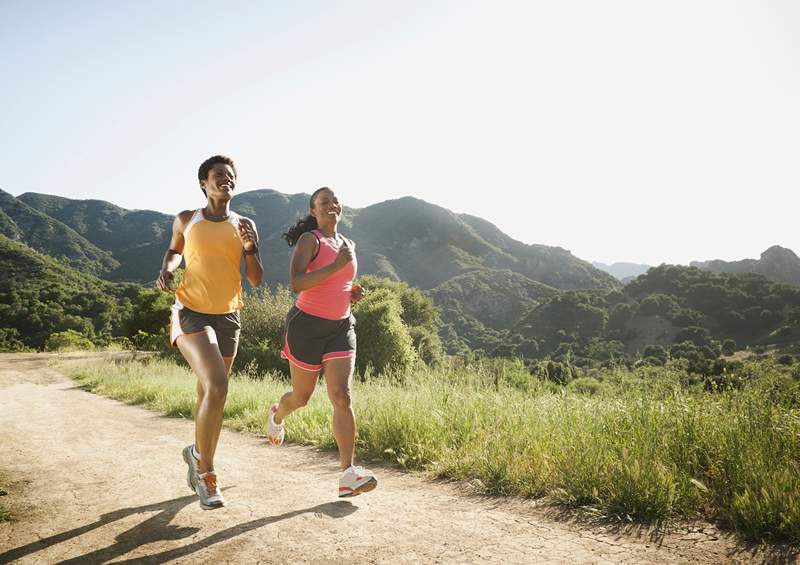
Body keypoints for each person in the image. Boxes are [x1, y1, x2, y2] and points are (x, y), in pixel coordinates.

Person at [156, 154, 263, 509]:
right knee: (218, 385)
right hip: (191, 311)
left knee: (209, 394)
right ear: (204, 183)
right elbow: (175, 250)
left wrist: (251, 248)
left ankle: (195, 453)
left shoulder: (245, 223)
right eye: (218, 175)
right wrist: (168, 269)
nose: (225, 179)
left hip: (228, 315)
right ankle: (206, 472)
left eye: (230, 175)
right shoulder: (188, 219)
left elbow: (256, 278)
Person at [268, 186, 376, 497]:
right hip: (306, 327)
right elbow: (296, 283)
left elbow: (339, 281)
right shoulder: (309, 240)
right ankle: (277, 414)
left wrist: (352, 291)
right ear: (314, 211)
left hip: (341, 326)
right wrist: (336, 267)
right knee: (301, 398)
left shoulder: (347, 244)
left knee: (342, 397)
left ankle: (347, 474)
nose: (332, 205)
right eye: (324, 202)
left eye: (335, 200)